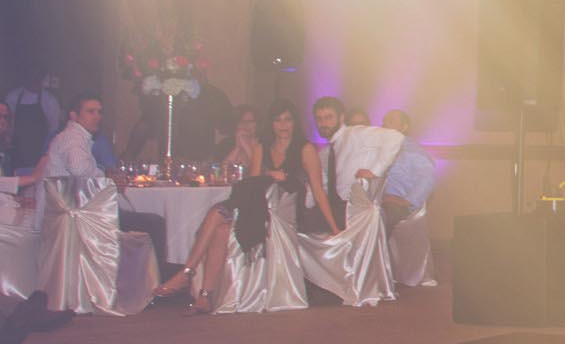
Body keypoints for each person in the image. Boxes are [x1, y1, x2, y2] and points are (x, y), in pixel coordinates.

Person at [153, 98, 339, 311]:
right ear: (271, 123)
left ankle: (186, 272)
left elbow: (318, 191)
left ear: (295, 122)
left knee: (217, 213)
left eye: (288, 120)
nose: (283, 125)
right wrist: (270, 174)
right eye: (278, 120)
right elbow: (254, 181)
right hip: (257, 205)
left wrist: (333, 228)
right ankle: (204, 295)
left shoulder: (304, 149)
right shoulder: (262, 146)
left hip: (285, 212)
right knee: (220, 228)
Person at [44, 92, 170, 274]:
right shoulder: (73, 138)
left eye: (99, 112)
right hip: (79, 213)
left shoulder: (74, 136)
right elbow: (79, 168)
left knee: (145, 218)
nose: (97, 117)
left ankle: (140, 280)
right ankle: (156, 283)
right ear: (74, 115)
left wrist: (105, 173)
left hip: (75, 208)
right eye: (91, 112)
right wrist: (106, 175)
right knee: (155, 222)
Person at [378, 109, 435, 228]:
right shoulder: (378, 148)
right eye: (384, 121)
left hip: (395, 207)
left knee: (382, 219)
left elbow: (427, 178)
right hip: (377, 202)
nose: (385, 125)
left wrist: (407, 201)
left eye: (391, 121)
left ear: (404, 127)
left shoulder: (413, 152)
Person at [300, 96, 347, 234]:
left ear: (341, 117)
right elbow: (321, 188)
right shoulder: (324, 153)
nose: (324, 123)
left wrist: (375, 171)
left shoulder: (353, 141)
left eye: (329, 117)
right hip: (333, 210)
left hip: (353, 210)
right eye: (319, 119)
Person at [4, 67, 62, 171]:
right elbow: (7, 124)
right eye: (31, 76)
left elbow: (54, 130)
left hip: (40, 154)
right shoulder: (13, 97)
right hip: (17, 154)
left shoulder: (50, 100)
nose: (34, 80)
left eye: (37, 77)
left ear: (42, 78)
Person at [215, 105, 260, 173]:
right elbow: (222, 170)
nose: (246, 124)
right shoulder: (225, 144)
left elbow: (258, 167)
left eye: (250, 121)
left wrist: (245, 145)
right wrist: (237, 148)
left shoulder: (262, 143)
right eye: (242, 121)